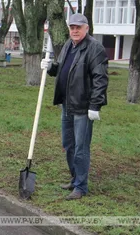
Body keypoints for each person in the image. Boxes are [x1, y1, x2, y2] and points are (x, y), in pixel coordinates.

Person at [40, 13, 108, 200]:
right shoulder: (69, 45)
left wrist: (95, 105)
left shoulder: (95, 48)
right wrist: (51, 67)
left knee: (81, 148)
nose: (75, 30)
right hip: (67, 105)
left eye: (79, 27)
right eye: (72, 27)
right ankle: (75, 177)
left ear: (86, 28)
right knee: (68, 145)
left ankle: (81, 187)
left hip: (83, 108)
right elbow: (63, 69)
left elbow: (100, 79)